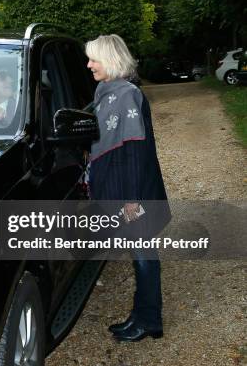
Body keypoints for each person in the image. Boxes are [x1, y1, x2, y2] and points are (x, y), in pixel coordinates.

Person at [85, 34, 171, 342]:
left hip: (130, 191)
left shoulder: (125, 95)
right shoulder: (108, 92)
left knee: (144, 254)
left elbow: (135, 149)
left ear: (110, 60)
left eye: (94, 58)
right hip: (120, 186)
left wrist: (132, 201)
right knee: (141, 253)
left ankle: (149, 320)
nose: (89, 64)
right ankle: (142, 315)